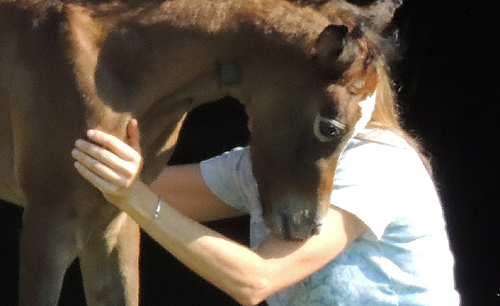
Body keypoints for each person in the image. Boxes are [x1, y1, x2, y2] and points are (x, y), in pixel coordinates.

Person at [72, 100, 460, 305]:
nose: (248, 104)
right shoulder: (258, 164)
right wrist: (116, 172)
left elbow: (256, 280)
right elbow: (137, 187)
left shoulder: (372, 162)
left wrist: (133, 195)